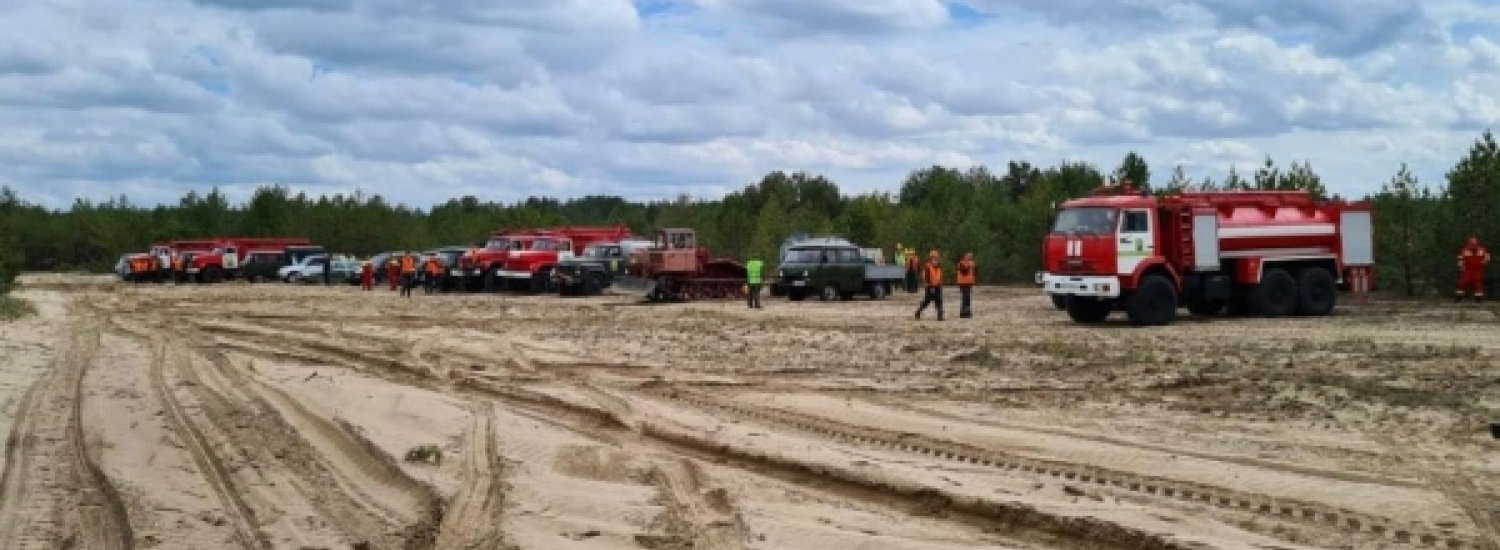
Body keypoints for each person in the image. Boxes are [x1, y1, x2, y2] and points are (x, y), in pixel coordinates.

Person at [1457, 236, 1490, 302]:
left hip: (1477, 269)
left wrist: (1484, 262)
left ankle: (1478, 299)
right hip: (1467, 269)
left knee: (1478, 284)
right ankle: (1459, 297)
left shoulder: (1482, 250)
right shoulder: (1465, 250)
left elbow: (1487, 257)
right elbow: (1460, 258)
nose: (1473, 247)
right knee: (1462, 283)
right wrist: (1461, 266)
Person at [914, 250, 944, 320]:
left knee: (939, 300)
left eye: (937, 258)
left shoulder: (938, 267)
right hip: (930, 287)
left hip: (937, 286)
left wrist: (940, 284)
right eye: (935, 258)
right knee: (927, 301)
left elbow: (940, 277)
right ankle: (918, 312)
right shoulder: (928, 267)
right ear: (931, 258)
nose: (936, 260)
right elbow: (926, 277)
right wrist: (930, 286)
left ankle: (940, 314)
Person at [956, 252, 976, 318]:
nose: (970, 258)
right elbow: (964, 272)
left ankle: (967, 311)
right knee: (965, 297)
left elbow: (974, 273)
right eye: (969, 256)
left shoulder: (972, 263)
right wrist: (969, 266)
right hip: (963, 283)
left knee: (967, 297)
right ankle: (963, 312)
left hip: (969, 283)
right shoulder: (961, 263)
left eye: (971, 257)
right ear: (965, 256)